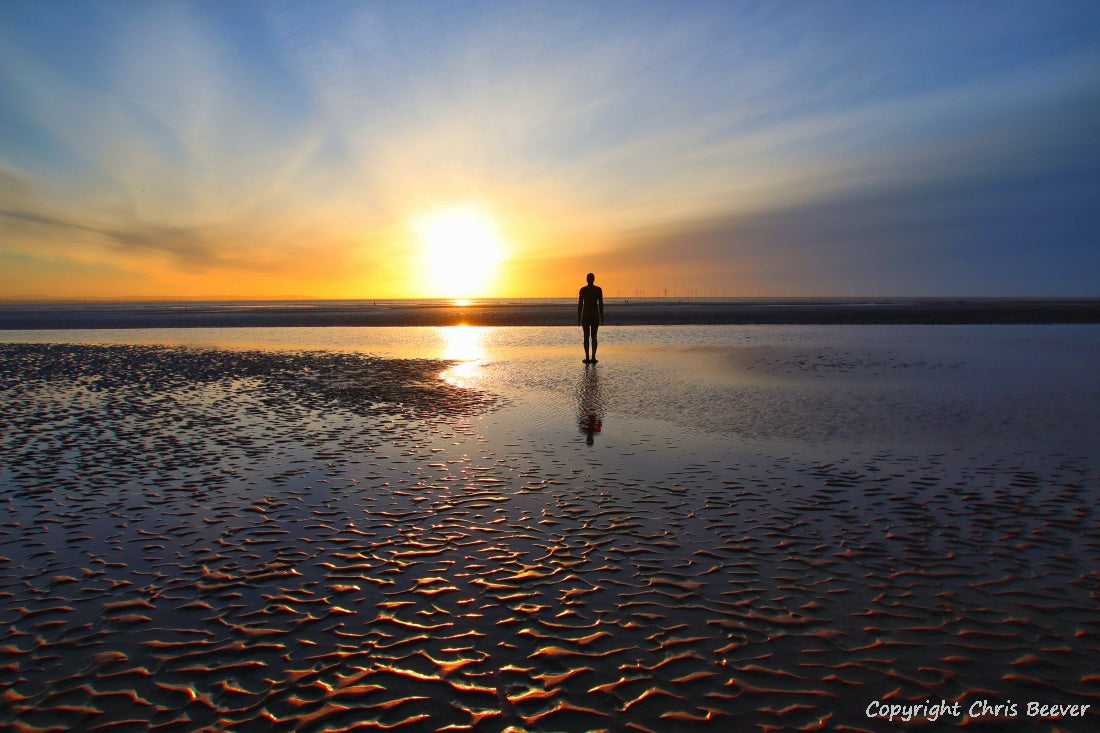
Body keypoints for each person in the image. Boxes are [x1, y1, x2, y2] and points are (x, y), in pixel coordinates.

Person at [577, 272, 604, 363]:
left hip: (586, 315)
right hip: (594, 315)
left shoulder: (583, 290)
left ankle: (587, 357)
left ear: (587, 280)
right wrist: (602, 316)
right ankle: (593, 357)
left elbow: (580, 304)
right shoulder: (598, 290)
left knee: (586, 337)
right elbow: (600, 304)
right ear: (593, 279)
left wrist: (578, 316)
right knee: (594, 337)